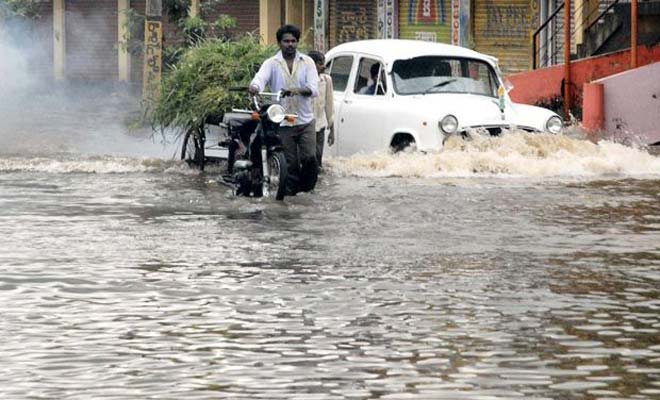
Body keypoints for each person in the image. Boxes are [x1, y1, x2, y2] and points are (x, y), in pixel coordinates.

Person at [249, 24, 319, 194]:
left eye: (293, 41)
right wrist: (254, 87)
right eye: (286, 41)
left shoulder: (307, 62)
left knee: (310, 158)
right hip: (283, 121)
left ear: (297, 42)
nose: (290, 44)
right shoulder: (272, 63)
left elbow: (314, 89)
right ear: (279, 43)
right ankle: (290, 197)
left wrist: (296, 91)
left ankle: (307, 190)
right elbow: (260, 79)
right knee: (290, 164)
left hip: (304, 120)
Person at [308, 50, 334, 169]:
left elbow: (329, 105)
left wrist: (332, 130)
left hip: (320, 125)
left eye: (323, 63)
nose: (323, 66)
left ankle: (318, 183)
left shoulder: (326, 80)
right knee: (309, 157)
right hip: (307, 126)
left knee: (318, 157)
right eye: (320, 63)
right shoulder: (304, 81)